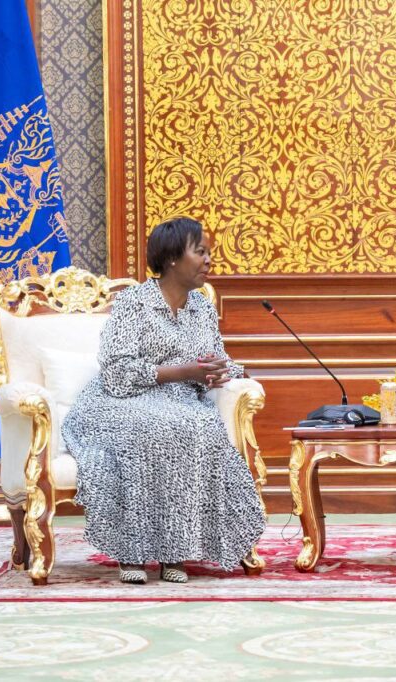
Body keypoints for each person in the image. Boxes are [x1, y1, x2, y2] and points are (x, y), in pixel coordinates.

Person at [62, 216, 266, 584]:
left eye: (207, 252)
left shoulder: (202, 307)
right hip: (120, 398)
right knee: (151, 428)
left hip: (179, 400)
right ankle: (132, 552)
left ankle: (176, 551)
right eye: (199, 252)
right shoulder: (133, 303)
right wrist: (187, 371)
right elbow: (117, 371)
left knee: (200, 425)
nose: (208, 260)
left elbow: (214, 358)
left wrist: (228, 371)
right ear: (172, 258)